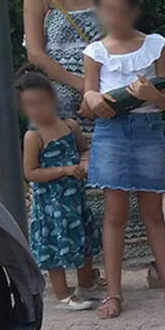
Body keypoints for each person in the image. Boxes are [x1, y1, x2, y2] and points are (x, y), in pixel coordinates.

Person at [21, 0, 154, 285]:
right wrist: (82, 87)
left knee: (118, 179)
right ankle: (83, 266)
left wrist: (103, 90)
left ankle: (144, 261)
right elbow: (36, 52)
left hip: (108, 98)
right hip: (62, 105)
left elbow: (122, 41)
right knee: (73, 183)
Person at [82, 0, 165, 319]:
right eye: (106, 11)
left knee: (153, 213)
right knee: (114, 215)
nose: (113, 18)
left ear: (133, 10)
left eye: (120, 11)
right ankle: (114, 293)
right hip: (111, 133)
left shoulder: (155, 45)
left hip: (148, 131)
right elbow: (88, 96)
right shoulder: (95, 52)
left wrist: (152, 95)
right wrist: (93, 97)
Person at [17, 68, 100, 310]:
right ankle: (63, 294)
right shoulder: (33, 136)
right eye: (30, 105)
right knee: (56, 245)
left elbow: (84, 150)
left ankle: (86, 285)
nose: (37, 109)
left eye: (41, 102)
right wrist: (63, 170)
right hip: (51, 204)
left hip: (75, 198)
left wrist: (84, 162)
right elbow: (30, 172)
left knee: (84, 241)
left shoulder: (70, 125)